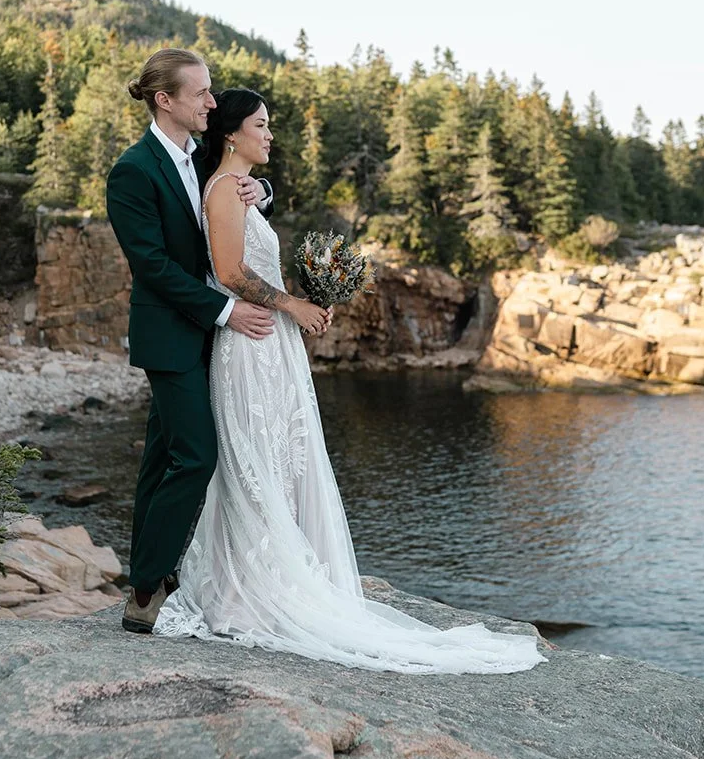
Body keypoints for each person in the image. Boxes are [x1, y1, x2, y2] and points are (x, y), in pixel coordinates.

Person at [151, 87, 546, 674]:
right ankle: (244, 594)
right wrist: (294, 306)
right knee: (254, 461)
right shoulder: (221, 192)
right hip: (250, 341)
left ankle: (275, 579)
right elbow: (231, 271)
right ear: (231, 133)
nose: (270, 134)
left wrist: (303, 298)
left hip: (271, 343)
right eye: (261, 125)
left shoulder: (244, 189)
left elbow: (250, 258)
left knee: (283, 458)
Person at [104, 48, 274, 634]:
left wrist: (262, 194)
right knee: (196, 454)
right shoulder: (132, 170)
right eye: (201, 93)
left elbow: (232, 189)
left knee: (160, 459)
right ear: (165, 99)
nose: (211, 101)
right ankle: (150, 586)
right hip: (171, 337)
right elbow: (152, 266)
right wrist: (228, 310)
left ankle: (140, 577)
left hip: (207, 338)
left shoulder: (201, 156)